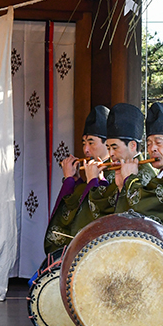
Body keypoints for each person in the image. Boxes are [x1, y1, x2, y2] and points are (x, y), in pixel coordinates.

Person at [112, 102, 163, 230]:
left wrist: (129, 179)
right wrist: (122, 186)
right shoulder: (162, 175)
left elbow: (147, 206)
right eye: (148, 144)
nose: (152, 148)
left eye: (159, 142)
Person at [43, 106, 110, 254]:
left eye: (91, 143)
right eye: (83, 143)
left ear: (108, 144)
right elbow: (73, 210)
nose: (85, 150)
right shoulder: (93, 168)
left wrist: (93, 180)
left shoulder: (115, 171)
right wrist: (73, 180)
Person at [84, 103, 143, 221]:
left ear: (132, 145)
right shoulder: (119, 168)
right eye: (108, 148)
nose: (111, 154)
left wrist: (128, 181)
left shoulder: (145, 172)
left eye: (115, 148)